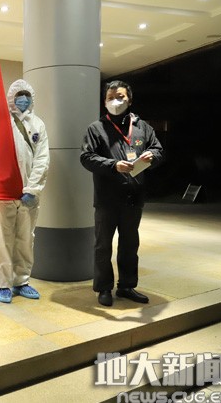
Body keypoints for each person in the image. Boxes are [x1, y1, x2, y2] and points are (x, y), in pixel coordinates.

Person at [80, 80, 164, 307]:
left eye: (120, 97)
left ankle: (127, 286)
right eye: (110, 98)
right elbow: (86, 157)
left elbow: (158, 149)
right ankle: (104, 288)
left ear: (130, 99)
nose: (115, 101)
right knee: (103, 246)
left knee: (130, 245)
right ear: (104, 101)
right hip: (106, 198)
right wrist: (113, 165)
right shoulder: (96, 128)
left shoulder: (142, 127)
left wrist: (153, 156)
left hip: (134, 197)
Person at [0, 79, 50, 303]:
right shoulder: (0, 122)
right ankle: (3, 284)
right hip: (3, 192)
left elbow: (42, 159)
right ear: (11, 98)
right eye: (18, 96)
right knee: (2, 238)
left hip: (29, 194)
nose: (23, 100)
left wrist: (33, 188)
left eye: (26, 96)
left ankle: (21, 281)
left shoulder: (38, 124)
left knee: (26, 238)